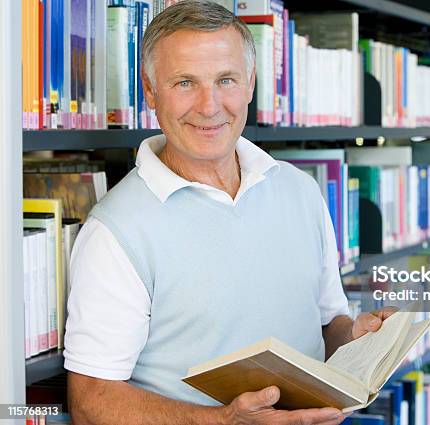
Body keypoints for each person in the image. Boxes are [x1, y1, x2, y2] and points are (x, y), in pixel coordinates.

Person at [64, 1, 394, 424]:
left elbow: (328, 325)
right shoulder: (116, 229)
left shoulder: (300, 191)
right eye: (185, 82)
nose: (209, 105)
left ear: (251, 83)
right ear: (149, 90)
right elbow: (91, 402)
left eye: (226, 80)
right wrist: (223, 421)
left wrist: (358, 340)